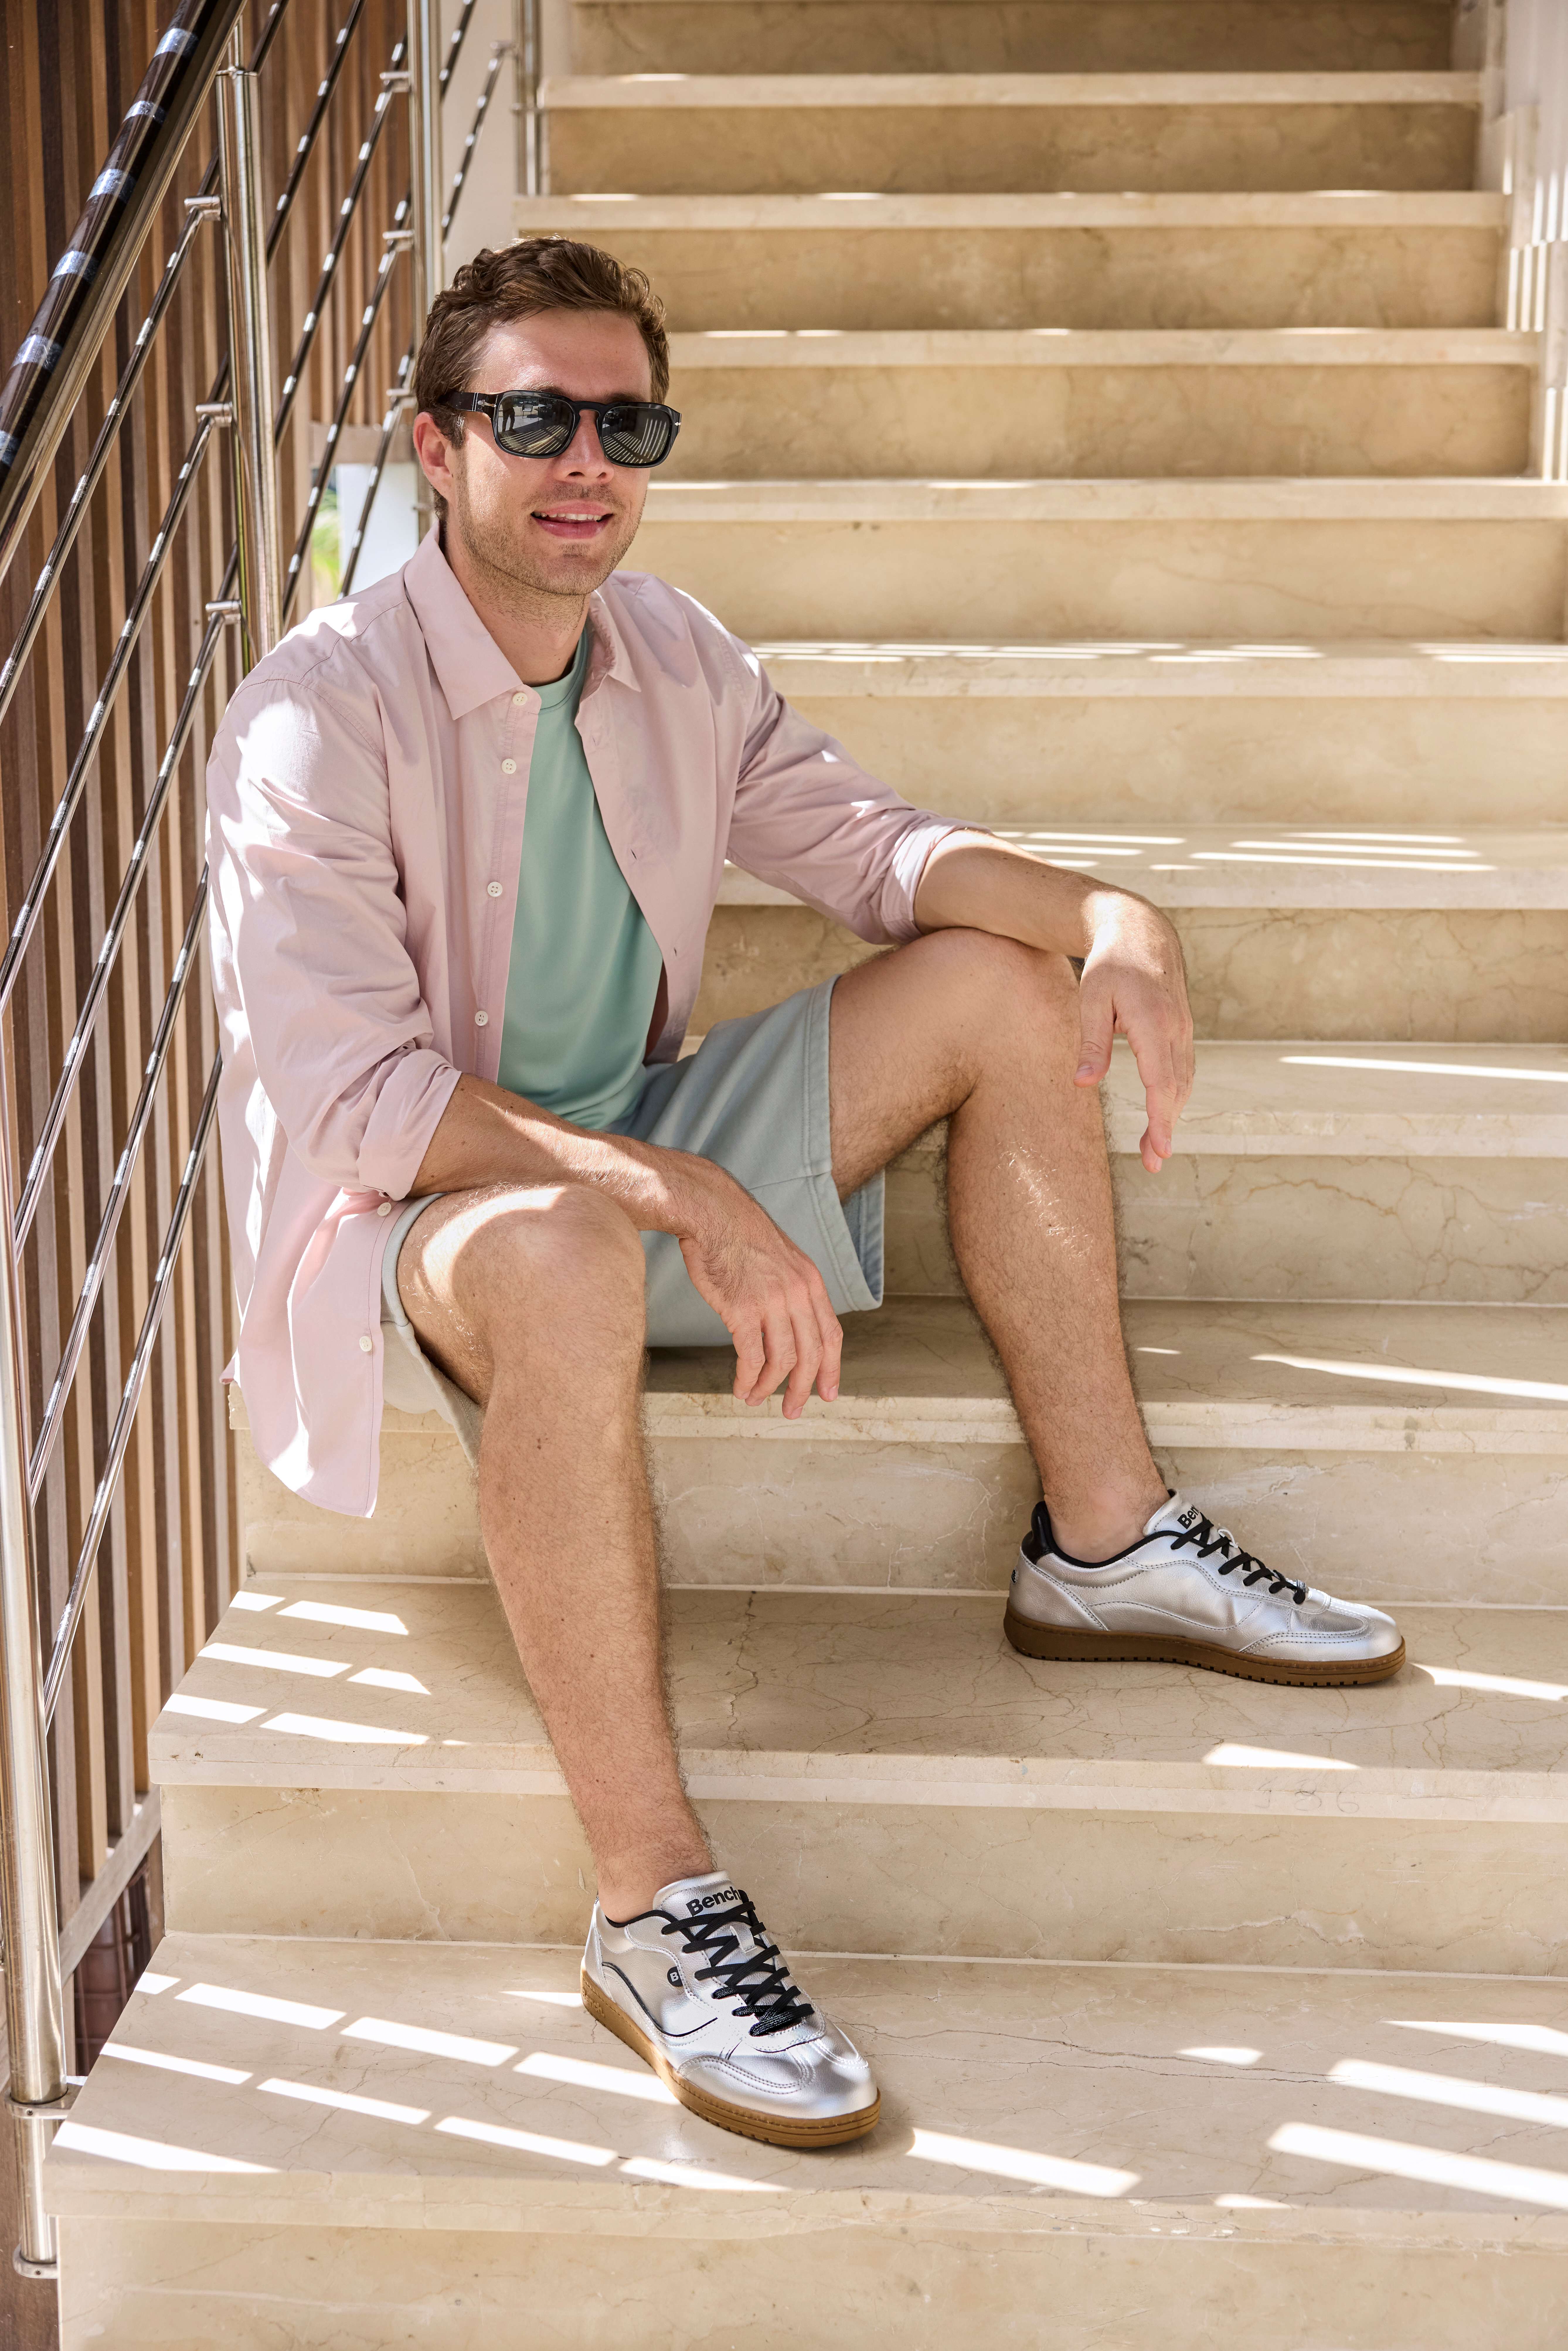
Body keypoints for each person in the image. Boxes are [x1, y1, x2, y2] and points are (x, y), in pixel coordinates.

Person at [205, 236, 1404, 2153]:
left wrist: (1111, 910)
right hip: (434, 1211)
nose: (582, 457)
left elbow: (883, 854)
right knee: (569, 1247)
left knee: (1002, 987)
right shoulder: (315, 710)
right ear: (436, 449)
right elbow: (358, 1097)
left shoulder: (675, 653)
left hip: (645, 1141)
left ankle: (1102, 1539)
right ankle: (651, 1905)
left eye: (626, 420)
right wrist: (676, 1187)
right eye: (531, 416)